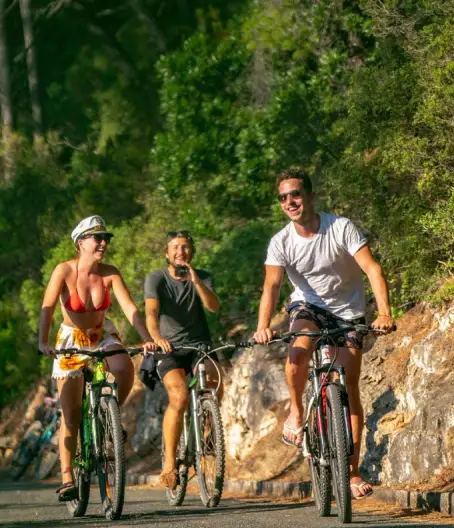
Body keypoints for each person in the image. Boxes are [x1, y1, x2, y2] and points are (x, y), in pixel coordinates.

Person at [253, 167, 394, 500]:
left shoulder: (340, 227)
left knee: (348, 388)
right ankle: (297, 411)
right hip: (308, 307)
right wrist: (262, 326)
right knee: (298, 352)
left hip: (348, 311)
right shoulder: (281, 242)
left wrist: (385, 312)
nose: (290, 201)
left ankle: (353, 472)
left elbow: (372, 268)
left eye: (296, 194)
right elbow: (272, 286)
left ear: (311, 196)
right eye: (283, 198)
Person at [38, 215, 158, 501]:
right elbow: (48, 307)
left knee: (124, 367)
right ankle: (67, 477)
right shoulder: (64, 270)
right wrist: (42, 342)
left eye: (106, 238)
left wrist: (146, 337)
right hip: (71, 339)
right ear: (81, 243)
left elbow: (129, 308)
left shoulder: (110, 273)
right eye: (98, 238)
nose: (104, 243)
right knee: (71, 415)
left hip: (101, 333)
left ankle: (110, 416)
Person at [144, 230, 220, 490]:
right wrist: (156, 337)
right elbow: (151, 313)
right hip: (169, 348)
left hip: (199, 345)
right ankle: (169, 464)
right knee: (179, 397)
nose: (180, 252)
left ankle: (208, 435)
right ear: (167, 253)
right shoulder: (156, 279)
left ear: (192, 252)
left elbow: (213, 306)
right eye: (175, 247)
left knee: (214, 383)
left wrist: (196, 281)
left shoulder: (203, 276)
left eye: (185, 247)